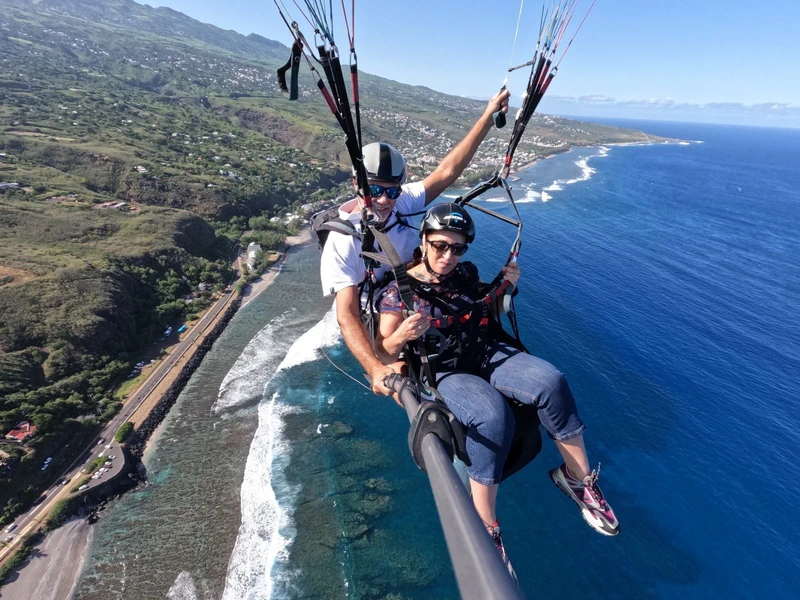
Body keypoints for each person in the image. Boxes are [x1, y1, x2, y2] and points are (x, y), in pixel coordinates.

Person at [374, 203, 620, 567]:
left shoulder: (465, 274)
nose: (448, 256)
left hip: (486, 351)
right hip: (446, 370)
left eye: (457, 248)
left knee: (550, 381)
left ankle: (576, 478)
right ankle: (486, 524)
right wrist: (402, 336)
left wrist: (507, 288)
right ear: (423, 241)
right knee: (491, 416)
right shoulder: (400, 292)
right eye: (440, 245)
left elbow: (485, 311)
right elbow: (382, 350)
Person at [319, 90, 511, 396]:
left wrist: (487, 118)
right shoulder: (344, 240)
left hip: (416, 290)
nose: (384, 200)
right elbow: (347, 314)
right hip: (379, 311)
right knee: (404, 379)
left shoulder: (402, 201)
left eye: (392, 191)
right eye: (374, 190)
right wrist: (375, 369)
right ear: (357, 183)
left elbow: (447, 172)